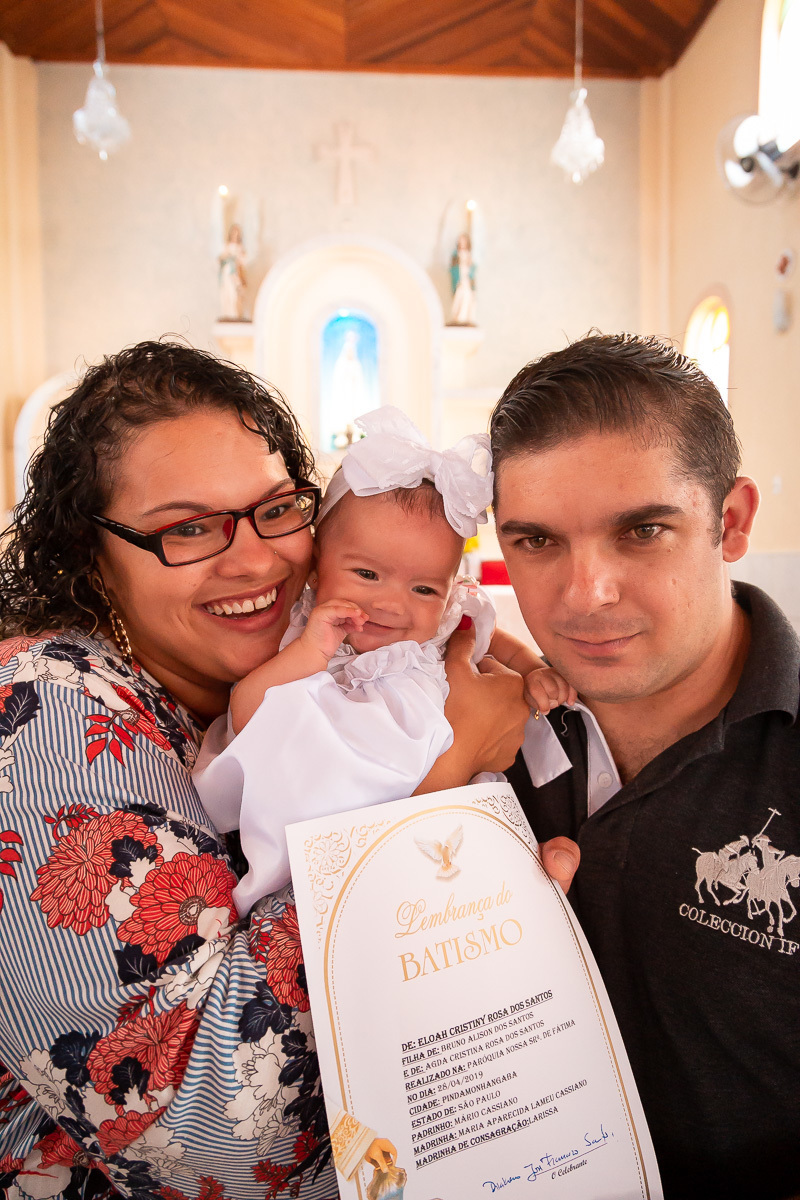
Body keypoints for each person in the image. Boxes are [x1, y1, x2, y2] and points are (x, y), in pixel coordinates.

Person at [0, 341, 533, 1200]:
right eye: (187, 526)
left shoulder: (297, 666)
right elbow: (214, 1132)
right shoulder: (46, 709)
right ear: (90, 555)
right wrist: (450, 767)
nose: (255, 560)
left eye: (276, 508)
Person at [489, 331, 799, 1200]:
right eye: (538, 541)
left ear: (730, 522)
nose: (586, 593)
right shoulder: (465, 737)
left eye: (643, 530)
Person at [193, 407, 574, 915]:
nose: (392, 604)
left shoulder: (445, 619)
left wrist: (533, 670)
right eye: (367, 574)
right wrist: (311, 652)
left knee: (476, 881)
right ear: (315, 566)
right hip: (330, 794)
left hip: (448, 788)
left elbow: (494, 639)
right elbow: (248, 709)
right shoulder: (305, 632)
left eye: (423, 587)